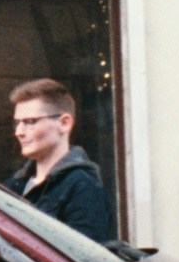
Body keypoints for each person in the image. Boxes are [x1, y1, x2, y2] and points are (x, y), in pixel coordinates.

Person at [8, 78, 115, 243]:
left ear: (64, 123)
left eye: (30, 122)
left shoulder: (83, 188)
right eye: (17, 123)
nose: (19, 132)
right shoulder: (15, 185)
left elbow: (82, 261)